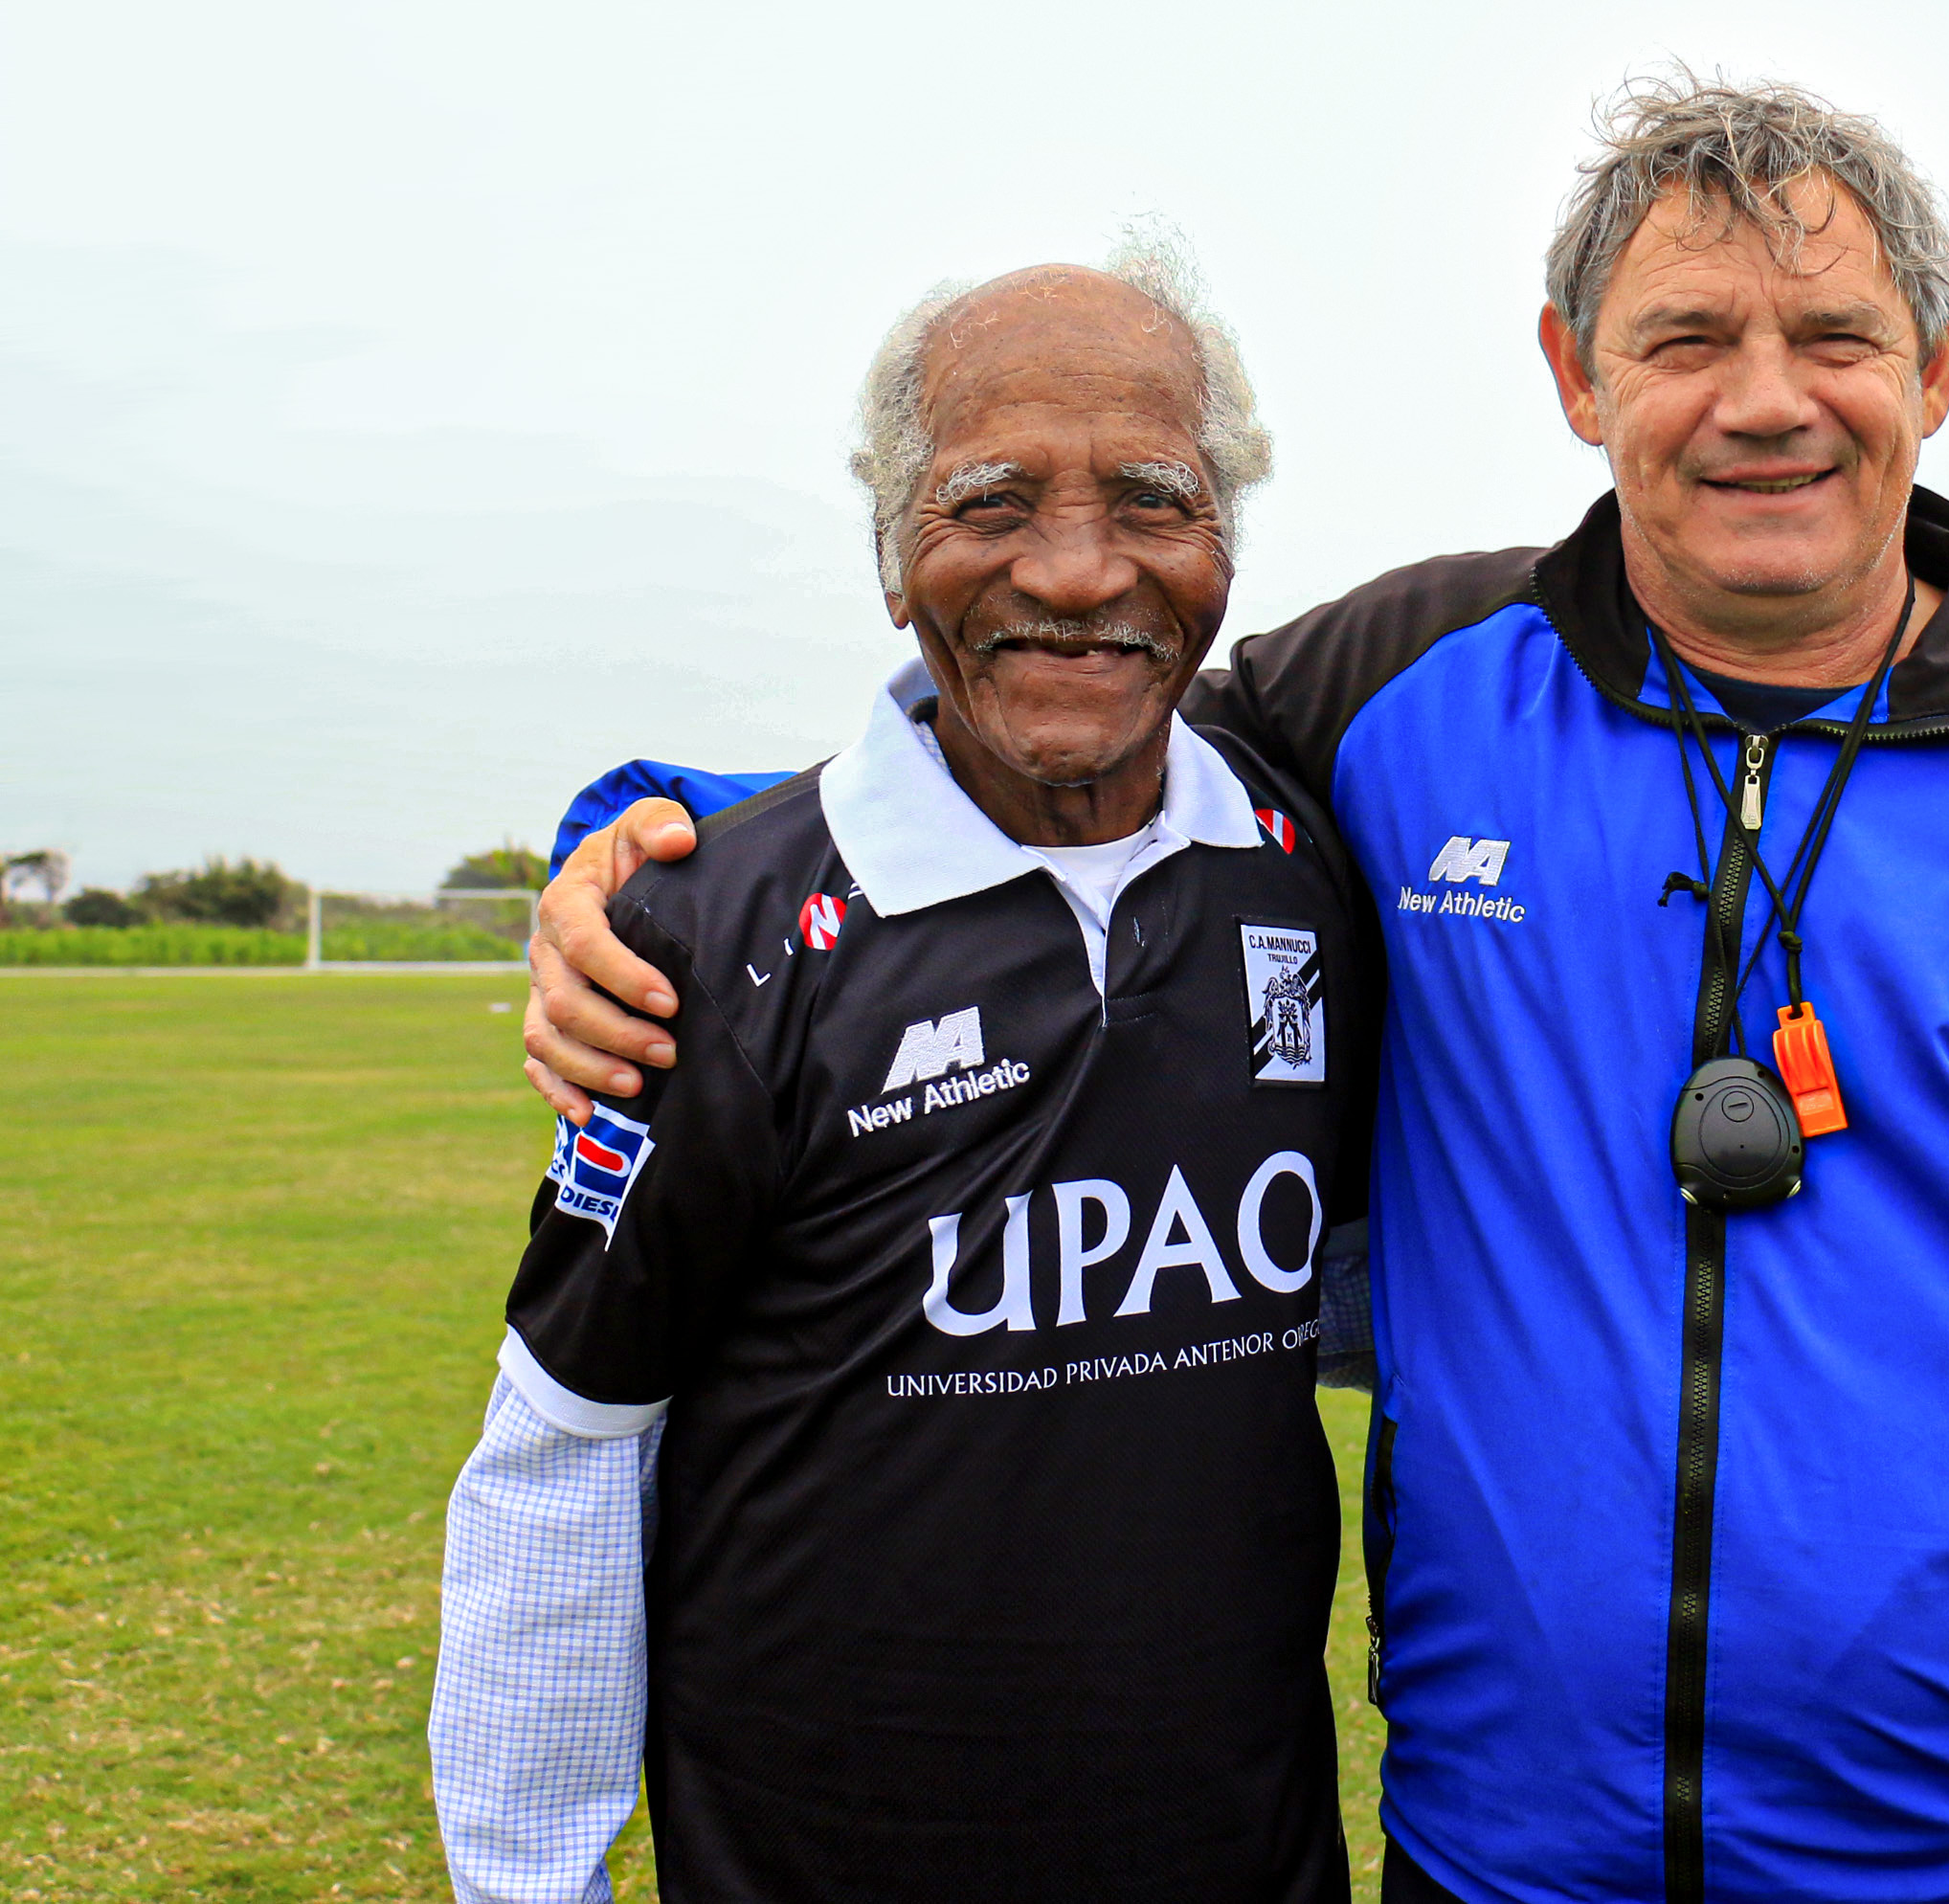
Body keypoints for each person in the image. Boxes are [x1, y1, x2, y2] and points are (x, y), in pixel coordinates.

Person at [526, 78, 1949, 1904]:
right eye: (1686, 336)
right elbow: (1046, 726)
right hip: (1500, 1860)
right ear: (1574, 373)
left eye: (1836, 338)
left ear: (1936, 371)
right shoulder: (1400, 691)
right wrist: (668, 841)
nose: (1764, 403)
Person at [430, 248, 1376, 1903]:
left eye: (1152, 499)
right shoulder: (711, 937)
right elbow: (564, 1457)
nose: (1078, 572)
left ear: (1225, 542)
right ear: (891, 550)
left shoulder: (1312, 877)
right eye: (992, 500)